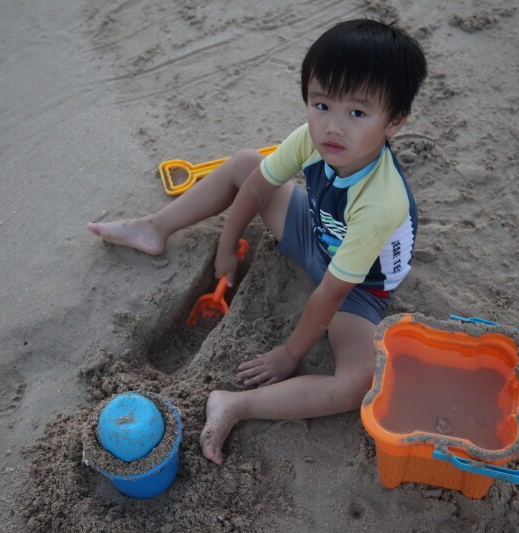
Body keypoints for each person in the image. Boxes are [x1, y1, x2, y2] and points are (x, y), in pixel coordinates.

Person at [88, 19, 428, 464]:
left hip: (360, 287)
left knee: (357, 383)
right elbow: (256, 186)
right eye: (321, 104)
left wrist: (289, 353)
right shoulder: (312, 139)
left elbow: (330, 294)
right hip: (316, 233)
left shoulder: (382, 200)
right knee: (245, 163)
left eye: (357, 113)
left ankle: (235, 404)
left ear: (394, 122)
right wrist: (226, 245)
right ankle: (155, 227)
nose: (333, 127)